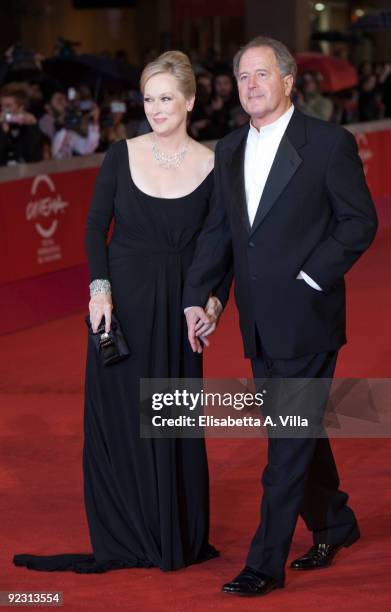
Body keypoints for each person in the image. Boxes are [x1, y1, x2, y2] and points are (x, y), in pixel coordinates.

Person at [13, 51, 229, 573]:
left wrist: (214, 303)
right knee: (119, 420)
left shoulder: (214, 163)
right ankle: (125, 532)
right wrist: (99, 290)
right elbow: (93, 228)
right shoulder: (120, 154)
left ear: (190, 101)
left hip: (180, 310)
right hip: (121, 305)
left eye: (166, 99)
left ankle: (171, 532)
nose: (155, 109)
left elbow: (220, 248)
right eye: (148, 98)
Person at [183, 36, 378, 597]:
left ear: (289, 81)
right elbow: (220, 233)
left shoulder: (328, 144)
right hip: (256, 321)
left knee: (285, 441)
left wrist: (314, 276)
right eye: (242, 76)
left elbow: (357, 222)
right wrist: (203, 296)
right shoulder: (228, 149)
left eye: (261, 75)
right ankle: (335, 523)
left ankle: (264, 563)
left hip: (308, 316)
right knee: (298, 429)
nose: (250, 85)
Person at [0, 83, 43, 165]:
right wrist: (3, 132)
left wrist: (32, 127)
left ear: (21, 108)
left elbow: (35, 158)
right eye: (2, 106)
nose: (4, 110)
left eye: (8, 106)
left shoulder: (29, 126)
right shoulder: (1, 126)